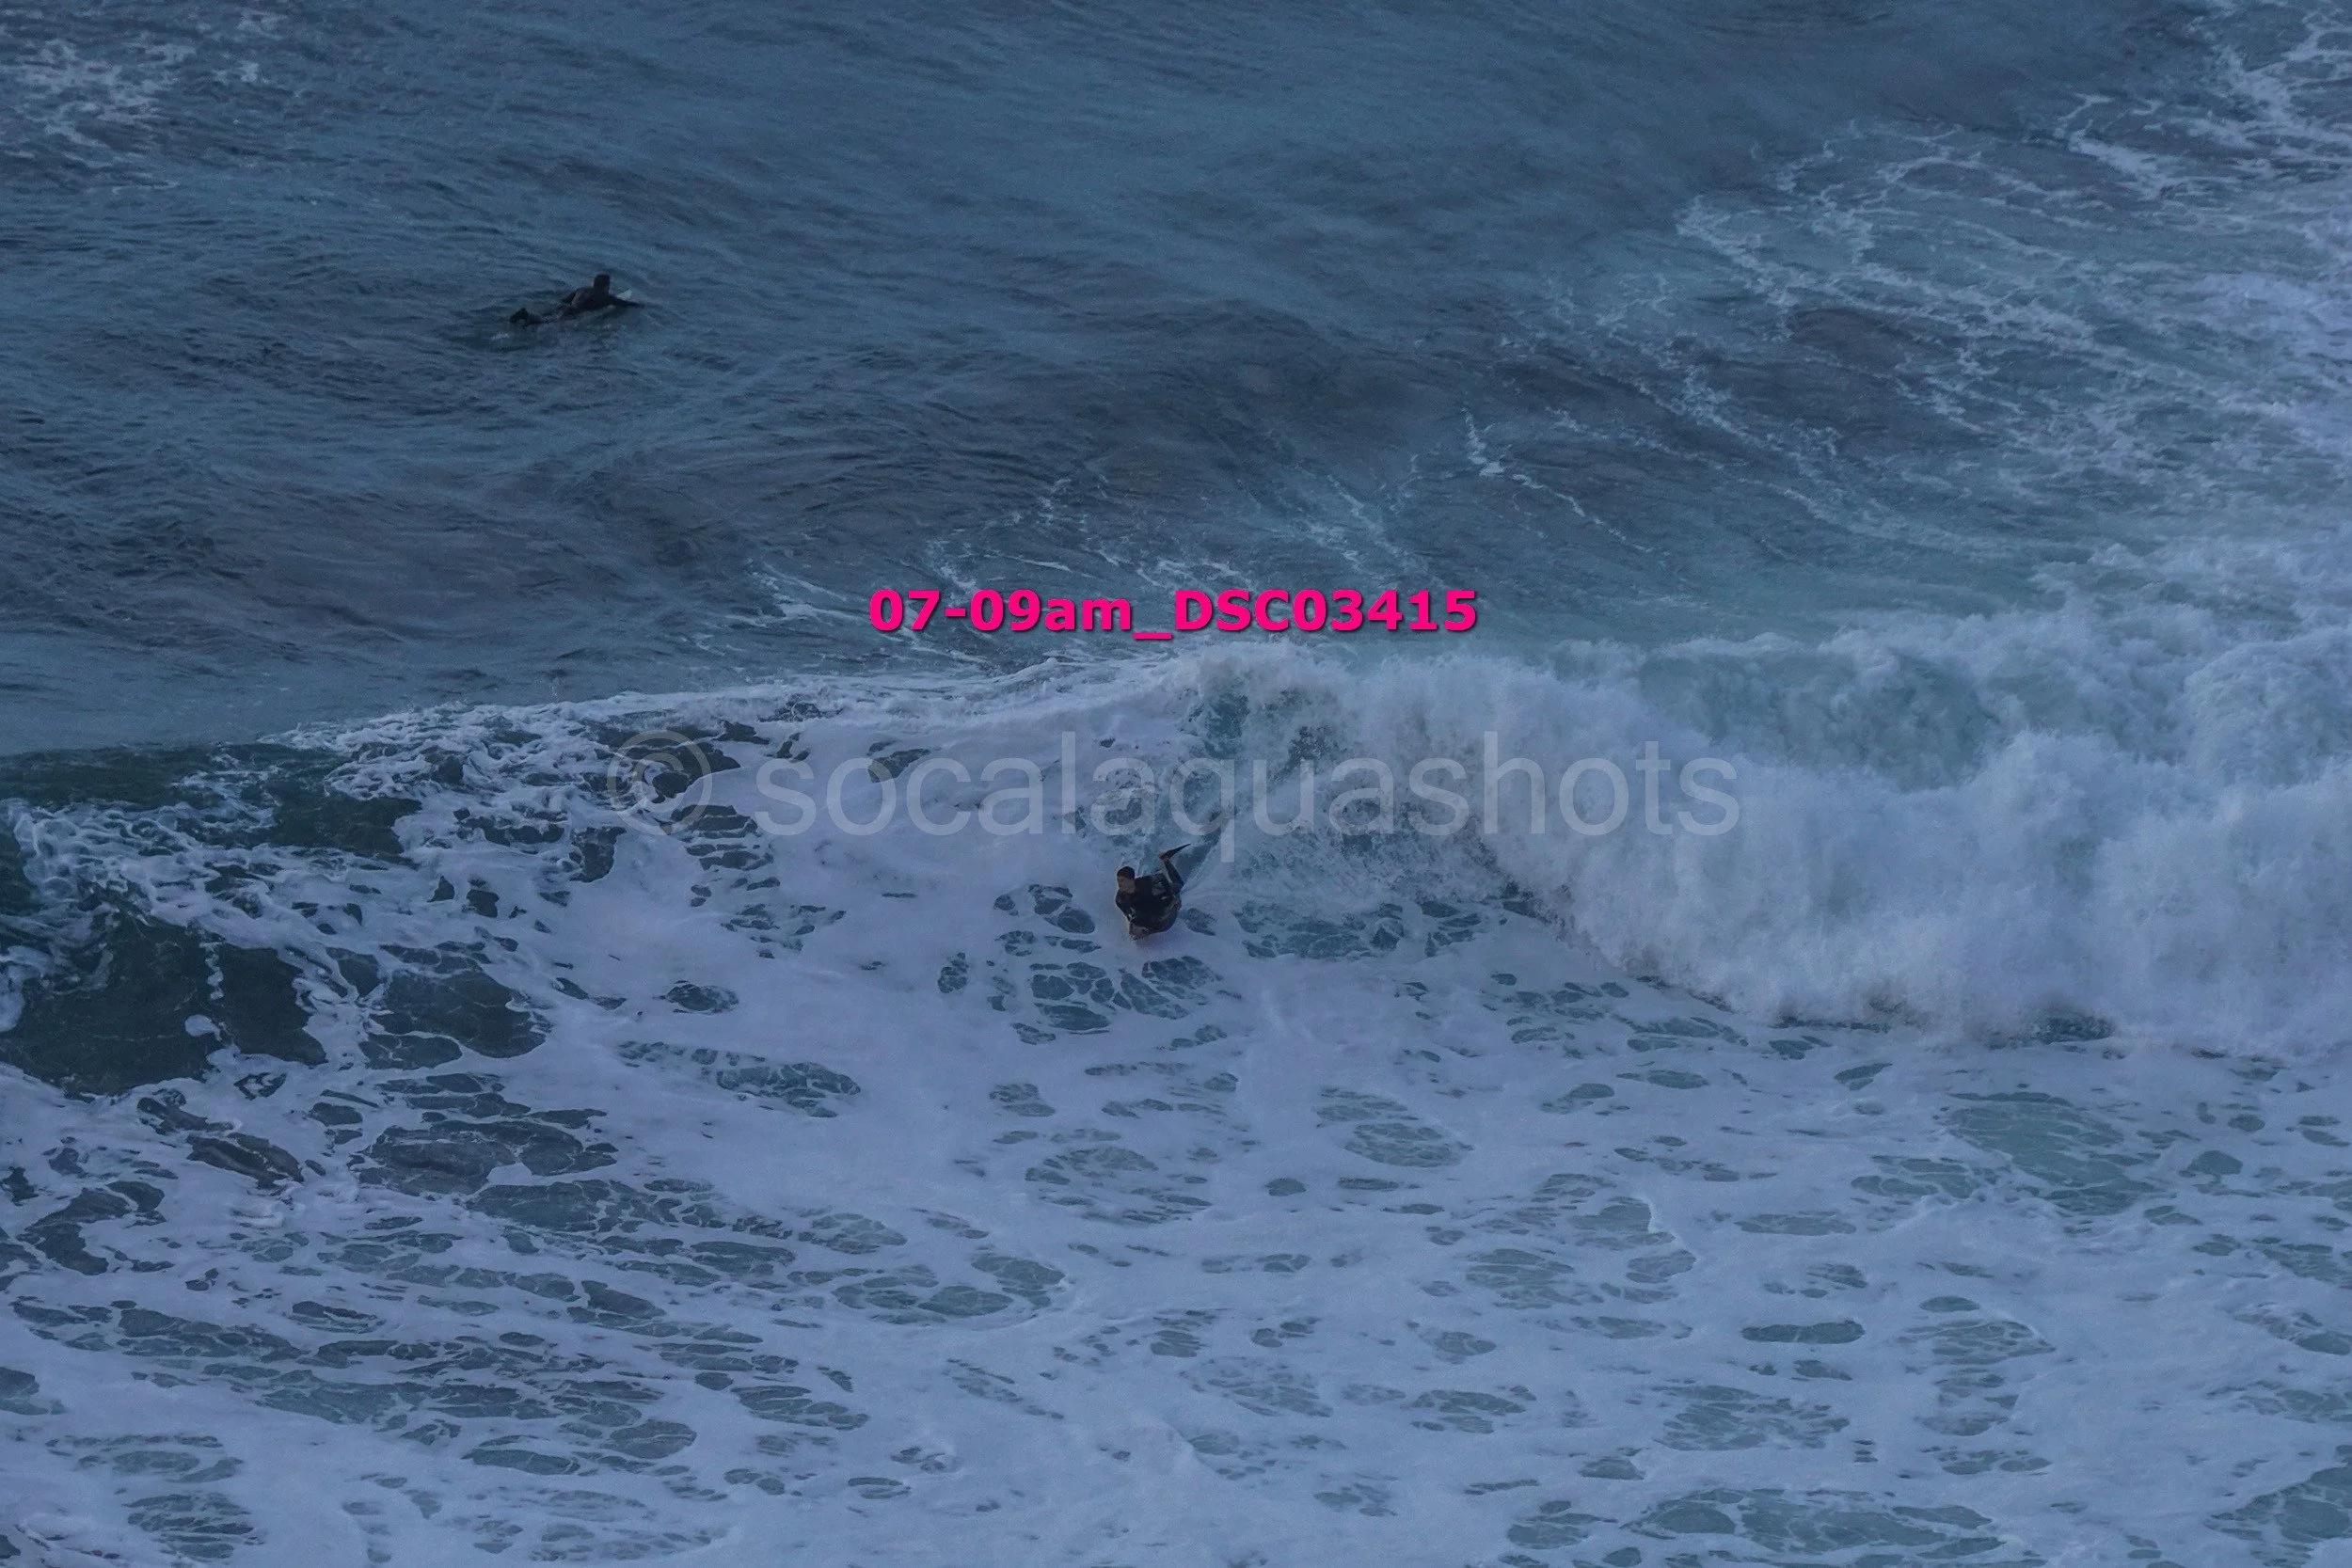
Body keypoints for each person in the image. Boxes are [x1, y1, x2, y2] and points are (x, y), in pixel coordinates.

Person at [511, 274, 643, 326]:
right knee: (548, 323)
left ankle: (527, 315)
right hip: (574, 313)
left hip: (564, 307)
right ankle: (527, 316)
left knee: (547, 317)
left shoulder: (582, 289)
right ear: (606, 286)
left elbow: (565, 300)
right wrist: (641, 306)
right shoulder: (606, 297)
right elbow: (624, 304)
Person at [1115, 848, 1186, 938]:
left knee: (1179, 885)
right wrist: (1134, 924)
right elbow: (1128, 914)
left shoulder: (1144, 883)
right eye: (1118, 880)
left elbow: (1161, 877)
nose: (1119, 883)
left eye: (1122, 881)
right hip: (1146, 907)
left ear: (1131, 880)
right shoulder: (1120, 899)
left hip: (1159, 893)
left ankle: (1165, 860)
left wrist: (1173, 896)